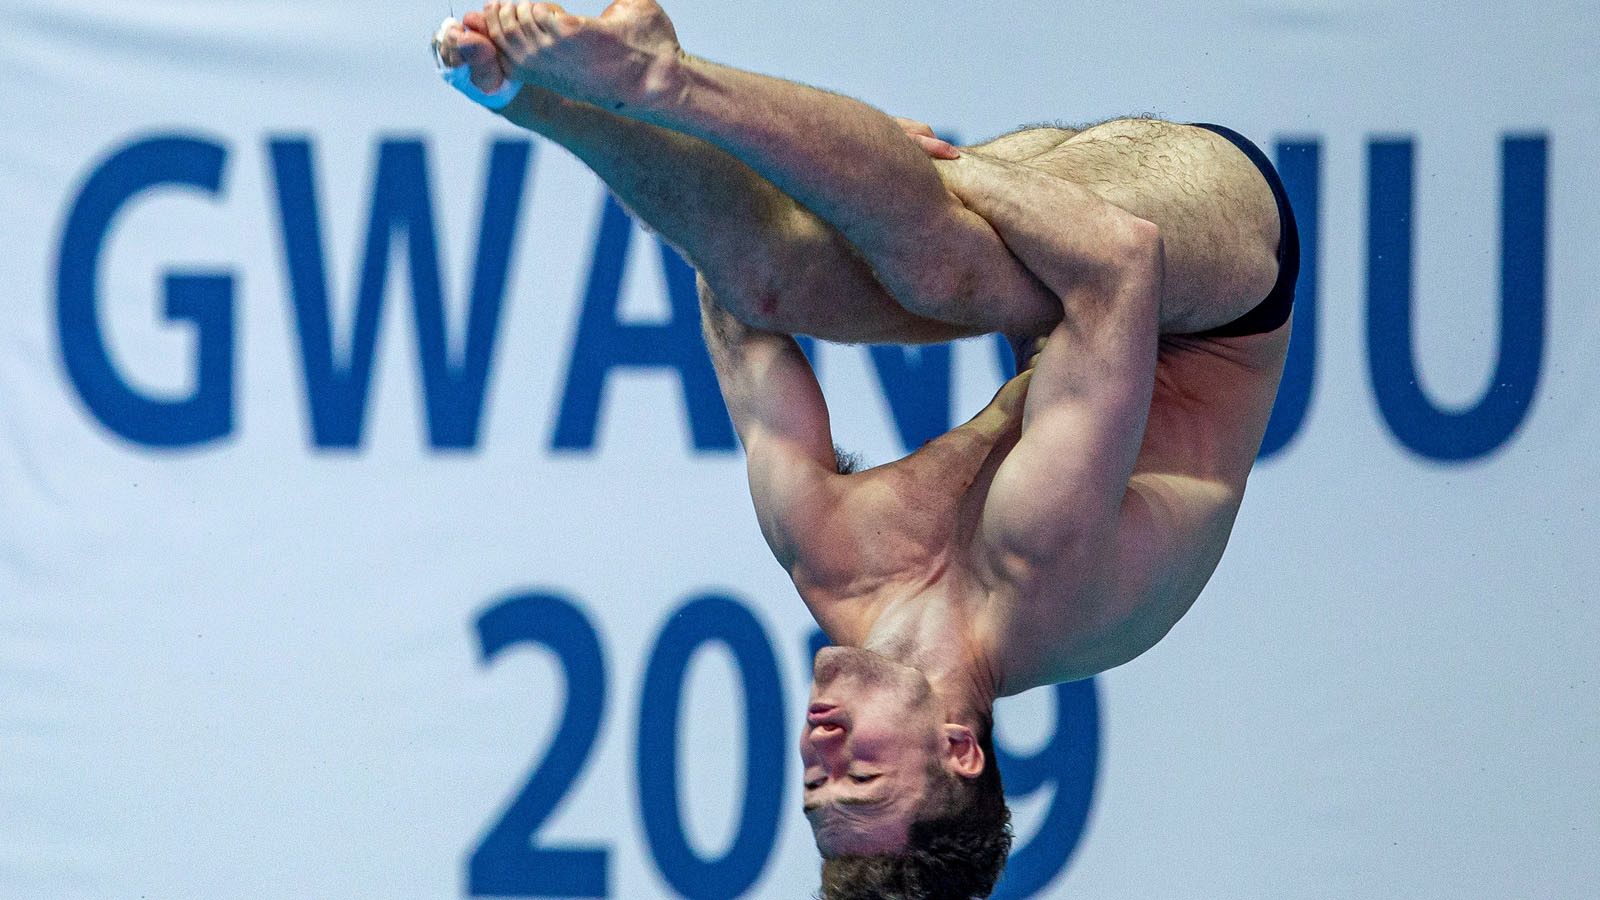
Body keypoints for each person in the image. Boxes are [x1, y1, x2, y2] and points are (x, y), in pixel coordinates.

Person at [435, 2, 1296, 896]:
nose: (818, 745)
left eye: (813, 785)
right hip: (1217, 267)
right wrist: (938, 166)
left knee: (779, 282)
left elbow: (733, 293)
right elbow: (1120, 262)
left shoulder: (833, 562)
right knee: (941, 262)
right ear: (959, 749)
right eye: (861, 773)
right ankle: (664, 74)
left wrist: (586, 113)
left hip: (1060, 284)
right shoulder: (1045, 573)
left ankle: (522, 94)